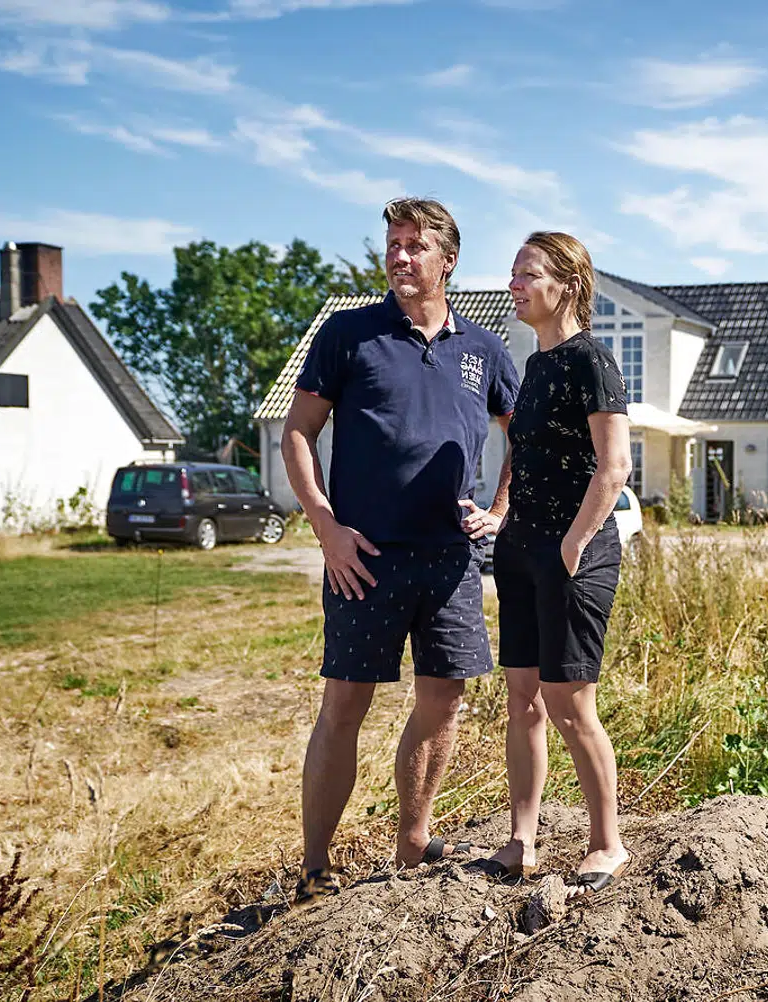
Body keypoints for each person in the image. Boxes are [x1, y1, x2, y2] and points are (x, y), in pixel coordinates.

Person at [282, 197, 519, 905]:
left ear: (449, 260)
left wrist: (501, 510)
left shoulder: (483, 350)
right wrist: (326, 528)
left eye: (416, 246)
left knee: (443, 702)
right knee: (344, 705)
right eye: (393, 244)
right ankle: (315, 868)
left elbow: (524, 434)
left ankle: (413, 843)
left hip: (451, 560)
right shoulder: (348, 334)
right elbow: (297, 433)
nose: (399, 256)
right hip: (363, 558)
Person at [475, 231, 633, 896]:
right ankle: (522, 841)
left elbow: (614, 467)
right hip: (519, 550)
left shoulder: (592, 361)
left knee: (570, 704)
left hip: (575, 554)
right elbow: (522, 450)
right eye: (513, 272)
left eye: (527, 273)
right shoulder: (534, 366)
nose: (513, 284)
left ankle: (607, 843)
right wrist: (501, 512)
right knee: (523, 699)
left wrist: (572, 544)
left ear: (567, 284)